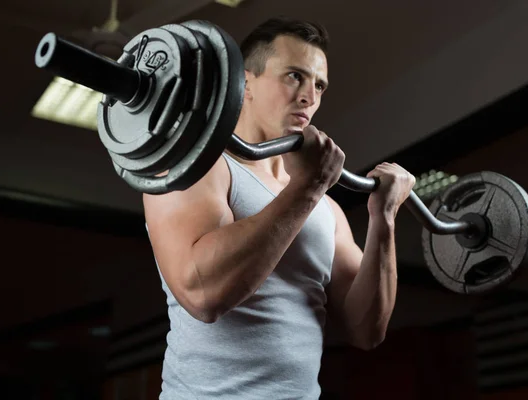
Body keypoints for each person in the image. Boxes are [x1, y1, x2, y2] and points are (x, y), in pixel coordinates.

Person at [143, 16, 416, 399]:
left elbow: (366, 330)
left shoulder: (326, 208)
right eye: (294, 76)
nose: (310, 96)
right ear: (246, 81)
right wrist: (306, 189)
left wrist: (383, 217)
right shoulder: (198, 167)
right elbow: (202, 295)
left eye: (318, 85)